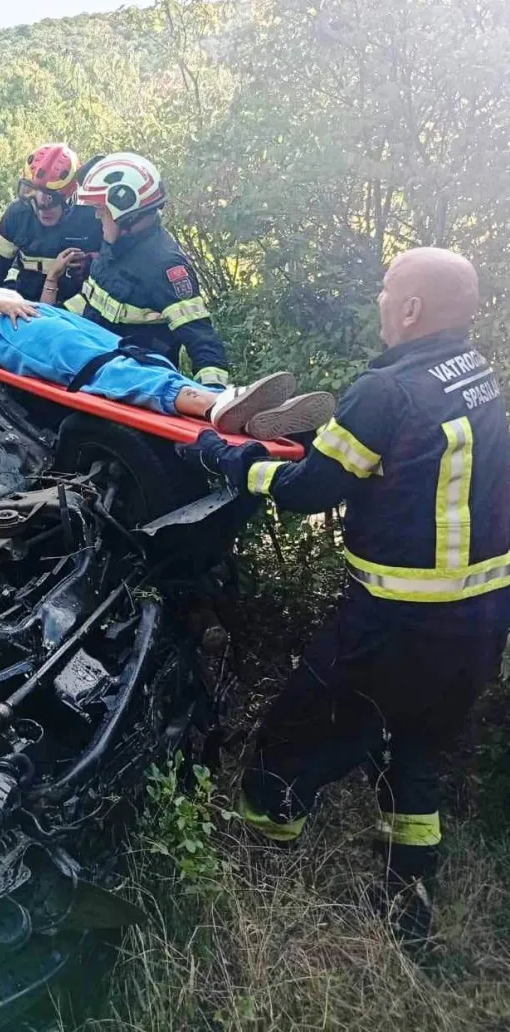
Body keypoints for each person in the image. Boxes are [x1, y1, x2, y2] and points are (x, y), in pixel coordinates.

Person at [182, 247, 510, 943]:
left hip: (398, 621)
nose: (381, 300)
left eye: (387, 290)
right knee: (415, 748)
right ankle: (407, 906)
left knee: (298, 728)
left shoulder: (386, 391)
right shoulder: (474, 373)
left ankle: (262, 854)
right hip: (482, 620)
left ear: (411, 308)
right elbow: (402, 458)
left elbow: (309, 492)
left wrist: (232, 461)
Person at [0, 272, 334, 437]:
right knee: (101, 368)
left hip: (40, 315)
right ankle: (211, 406)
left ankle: (244, 410)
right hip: (8, 329)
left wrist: (49, 282)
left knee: (132, 353)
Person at [67, 153, 230, 389]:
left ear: (125, 212)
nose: (96, 215)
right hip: (92, 365)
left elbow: (202, 342)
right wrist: (50, 317)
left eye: (101, 209)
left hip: (132, 383)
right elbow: (91, 301)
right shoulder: (115, 244)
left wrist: (212, 394)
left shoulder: (166, 266)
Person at [0, 144, 102, 304]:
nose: (41, 207)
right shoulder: (18, 214)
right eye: (33, 194)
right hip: (21, 302)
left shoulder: (92, 219)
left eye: (51, 198)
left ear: (70, 195)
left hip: (71, 310)